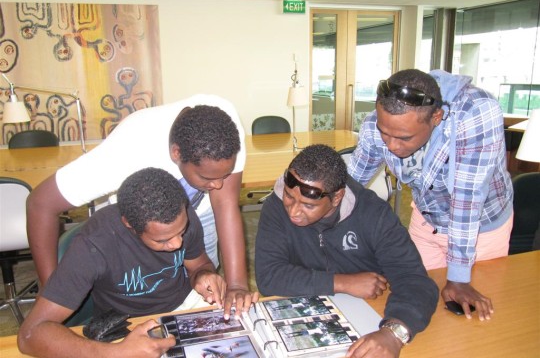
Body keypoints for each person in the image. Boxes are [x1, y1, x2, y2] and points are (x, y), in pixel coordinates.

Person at [26, 95, 258, 315]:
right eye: (207, 178)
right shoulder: (127, 150)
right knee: (138, 293)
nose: (219, 185)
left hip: (194, 215)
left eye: (224, 174)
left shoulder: (224, 135)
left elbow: (225, 206)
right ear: (176, 153)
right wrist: (53, 288)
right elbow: (40, 203)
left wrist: (236, 285)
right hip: (141, 222)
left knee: (200, 281)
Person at [348, 69, 513, 321]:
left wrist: (458, 277)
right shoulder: (377, 122)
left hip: (480, 229)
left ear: (436, 117)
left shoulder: (476, 113)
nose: (391, 145)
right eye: (385, 134)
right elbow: (351, 184)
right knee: (417, 299)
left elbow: (466, 199)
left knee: (472, 319)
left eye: (404, 137)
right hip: (426, 220)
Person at [18, 168, 226, 358]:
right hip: (126, 327)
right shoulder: (95, 243)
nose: (177, 243)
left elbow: (198, 265)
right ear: (130, 226)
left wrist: (204, 275)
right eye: (162, 240)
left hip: (181, 312)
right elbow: (30, 335)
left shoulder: (180, 214)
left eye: (181, 232)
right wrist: (116, 353)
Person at [255, 144, 438, 358]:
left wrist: (393, 333)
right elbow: (269, 277)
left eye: (308, 205)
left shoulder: (373, 214)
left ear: (337, 197)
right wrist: (343, 282)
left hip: (371, 314)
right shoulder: (275, 208)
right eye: (289, 196)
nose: (294, 211)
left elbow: (414, 280)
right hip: (305, 320)